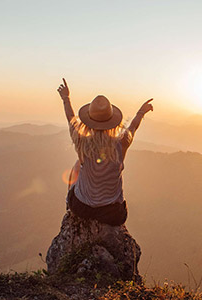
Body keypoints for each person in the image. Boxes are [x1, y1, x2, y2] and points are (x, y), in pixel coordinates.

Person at [57, 78, 153, 226]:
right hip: (112, 214)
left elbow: (71, 119)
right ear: (113, 121)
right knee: (82, 164)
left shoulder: (82, 143)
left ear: (88, 121)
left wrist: (65, 98)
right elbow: (133, 127)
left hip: (81, 208)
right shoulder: (122, 143)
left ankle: (68, 205)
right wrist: (141, 111)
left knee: (78, 164)